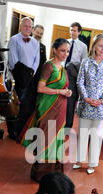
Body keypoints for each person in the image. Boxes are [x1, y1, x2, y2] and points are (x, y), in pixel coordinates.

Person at [18, 38, 72, 183]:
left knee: (57, 139)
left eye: (67, 51)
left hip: (60, 109)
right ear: (54, 50)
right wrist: (59, 92)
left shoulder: (62, 68)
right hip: (47, 109)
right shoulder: (49, 66)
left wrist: (66, 92)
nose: (65, 54)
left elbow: (60, 88)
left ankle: (53, 173)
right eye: (62, 50)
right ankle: (41, 173)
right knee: (46, 138)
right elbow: (40, 88)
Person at [73, 34, 103, 175]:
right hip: (86, 105)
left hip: (102, 107)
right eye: (100, 45)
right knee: (83, 134)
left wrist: (102, 99)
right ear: (94, 47)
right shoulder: (86, 62)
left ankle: (92, 163)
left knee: (97, 136)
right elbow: (80, 81)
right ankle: (79, 160)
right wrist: (86, 98)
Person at [7, 17, 40, 140]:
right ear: (21, 26)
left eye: (30, 27)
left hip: (30, 78)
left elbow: (37, 60)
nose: (27, 28)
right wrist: (24, 73)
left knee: (26, 106)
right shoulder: (14, 40)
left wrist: (31, 72)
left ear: (32, 29)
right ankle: (13, 132)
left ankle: (22, 130)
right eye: (25, 26)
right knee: (15, 105)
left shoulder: (35, 42)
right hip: (17, 76)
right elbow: (13, 60)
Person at [65, 22, 88, 128]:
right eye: (71, 30)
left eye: (74, 30)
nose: (72, 32)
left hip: (73, 75)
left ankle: (68, 125)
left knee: (70, 101)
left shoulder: (83, 46)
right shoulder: (65, 43)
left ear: (79, 32)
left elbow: (84, 64)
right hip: (62, 73)